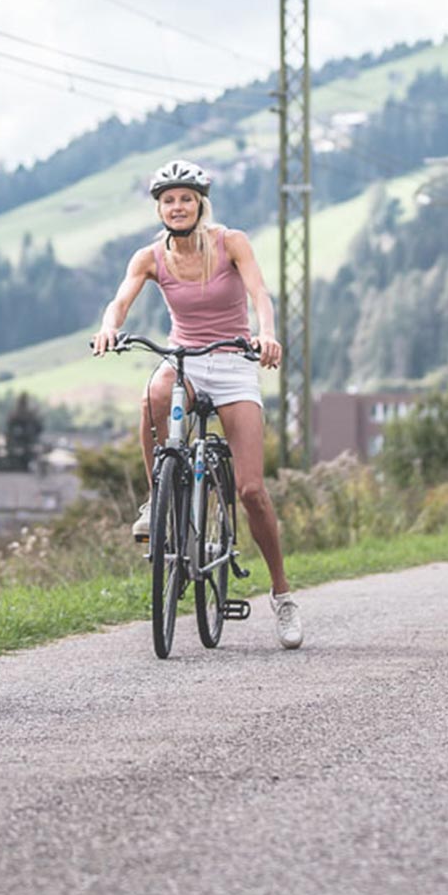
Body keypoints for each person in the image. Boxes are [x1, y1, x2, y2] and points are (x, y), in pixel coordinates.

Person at [90, 160, 304, 651]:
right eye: (169, 200)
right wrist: (108, 327)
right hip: (183, 358)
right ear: (159, 208)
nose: (178, 206)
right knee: (152, 398)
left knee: (251, 490)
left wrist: (265, 334)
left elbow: (260, 293)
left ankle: (283, 594)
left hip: (232, 362)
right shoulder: (149, 257)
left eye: (186, 198)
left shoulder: (231, 242)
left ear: (200, 203)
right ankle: (157, 499)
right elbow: (120, 301)